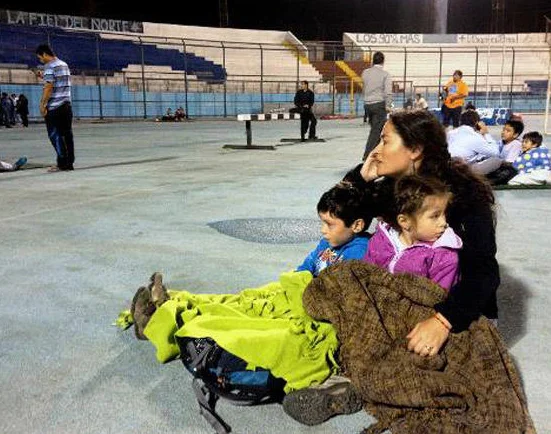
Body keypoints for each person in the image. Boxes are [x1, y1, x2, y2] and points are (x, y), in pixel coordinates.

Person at [283, 109, 500, 426]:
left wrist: (442, 321)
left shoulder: (463, 196)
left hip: (457, 305)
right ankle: (352, 376)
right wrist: (360, 177)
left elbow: (484, 274)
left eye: (385, 141)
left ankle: (350, 384)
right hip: (403, 293)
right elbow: (339, 214)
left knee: (429, 358)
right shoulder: (395, 188)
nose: (377, 150)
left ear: (415, 149)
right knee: (345, 284)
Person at [366, 175, 462, 291]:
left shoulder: (444, 257)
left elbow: (439, 297)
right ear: (404, 221)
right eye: (435, 216)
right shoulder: (381, 240)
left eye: (444, 214)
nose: (444, 222)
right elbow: (365, 272)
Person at [296, 182, 370, 277]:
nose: (323, 230)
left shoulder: (359, 252)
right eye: (323, 222)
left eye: (329, 224)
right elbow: (306, 267)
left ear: (357, 226)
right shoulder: (327, 242)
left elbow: (343, 285)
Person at [36, 44, 75, 173]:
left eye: (40, 58)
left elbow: (48, 87)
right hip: (66, 105)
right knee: (67, 134)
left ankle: (62, 163)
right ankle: (69, 163)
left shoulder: (49, 67)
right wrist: (44, 76)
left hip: (55, 107)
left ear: (45, 54)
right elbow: (59, 80)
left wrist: (42, 105)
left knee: (55, 135)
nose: (41, 61)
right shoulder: (64, 64)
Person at [361, 51, 392, 160]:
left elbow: (364, 88)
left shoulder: (365, 72)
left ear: (372, 60)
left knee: (376, 130)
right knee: (376, 131)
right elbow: (388, 92)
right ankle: (367, 156)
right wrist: (388, 105)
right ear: (383, 61)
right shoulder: (385, 74)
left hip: (367, 104)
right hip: (379, 104)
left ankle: (377, 155)